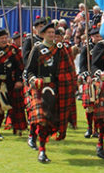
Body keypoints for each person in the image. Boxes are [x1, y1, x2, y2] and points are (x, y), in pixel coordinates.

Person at [22, 23, 77, 163]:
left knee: (51, 120)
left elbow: (68, 69)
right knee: (42, 119)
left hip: (55, 88)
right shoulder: (37, 49)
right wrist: (33, 79)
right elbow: (29, 70)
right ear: (43, 34)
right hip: (39, 87)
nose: (52, 35)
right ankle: (42, 151)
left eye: (53, 33)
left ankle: (38, 140)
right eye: (49, 33)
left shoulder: (60, 50)